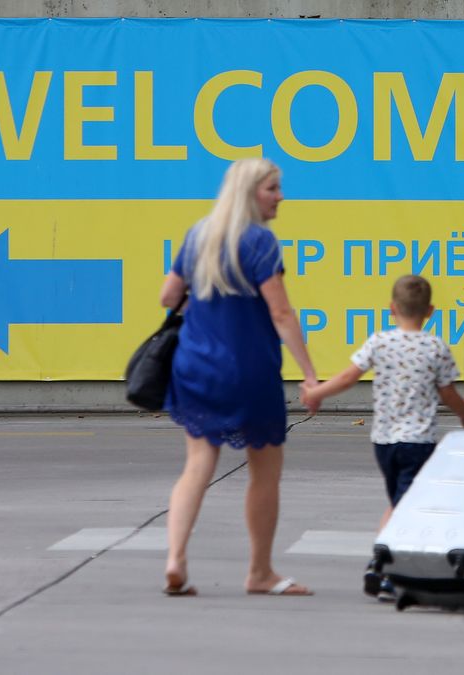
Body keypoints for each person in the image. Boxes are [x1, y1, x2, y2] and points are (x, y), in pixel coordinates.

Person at [158, 158, 319, 598]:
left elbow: (168, 296)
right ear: (251, 192)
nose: (281, 196)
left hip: (195, 366)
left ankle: (176, 558)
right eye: (273, 188)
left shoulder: (199, 234)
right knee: (265, 471)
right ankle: (259, 572)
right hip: (249, 370)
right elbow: (281, 313)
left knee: (196, 464)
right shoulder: (261, 243)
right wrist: (309, 374)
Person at [301, 274, 464, 601]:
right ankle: (382, 566)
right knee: (406, 507)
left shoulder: (379, 342)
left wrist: (316, 393)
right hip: (419, 442)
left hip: (383, 442)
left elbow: (347, 377)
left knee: (398, 502)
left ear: (391, 308)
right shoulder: (435, 347)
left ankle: (385, 563)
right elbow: (448, 394)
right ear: (430, 311)